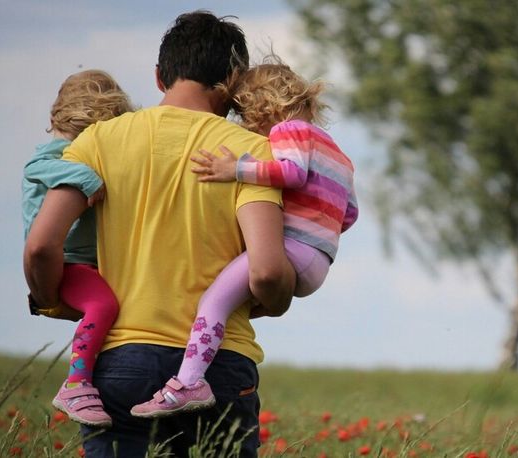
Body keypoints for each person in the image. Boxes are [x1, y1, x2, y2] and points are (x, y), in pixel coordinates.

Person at [24, 10, 295, 457]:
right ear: (233, 80)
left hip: (120, 363)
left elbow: (40, 246)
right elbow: (266, 272)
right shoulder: (251, 152)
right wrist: (278, 300)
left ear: (158, 77)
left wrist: (54, 299)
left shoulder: (96, 141)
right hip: (219, 365)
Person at [131, 59, 358, 418]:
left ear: (264, 107)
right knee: (235, 300)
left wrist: (233, 169)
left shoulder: (289, 130)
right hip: (319, 261)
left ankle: (189, 382)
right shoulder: (340, 155)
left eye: (246, 114)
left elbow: (293, 174)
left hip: (292, 249)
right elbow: (349, 214)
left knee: (213, 302)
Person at [21, 69, 132, 428]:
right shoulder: (56, 154)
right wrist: (87, 178)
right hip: (68, 262)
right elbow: (37, 167)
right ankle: (76, 383)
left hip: (87, 261)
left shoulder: (74, 149)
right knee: (103, 304)